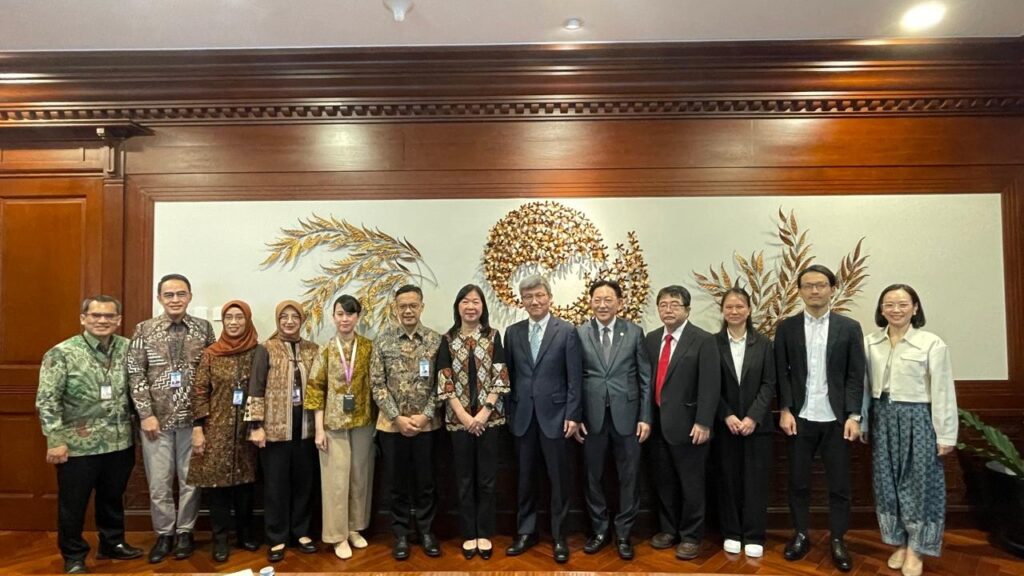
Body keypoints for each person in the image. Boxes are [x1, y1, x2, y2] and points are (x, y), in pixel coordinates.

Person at [36, 296, 143, 574]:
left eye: (109, 316)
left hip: (120, 440)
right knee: (74, 503)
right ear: (83, 318)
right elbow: (47, 400)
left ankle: (112, 542)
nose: (102, 320)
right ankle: (73, 555)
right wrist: (55, 440)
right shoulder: (62, 353)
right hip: (78, 445)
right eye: (96, 315)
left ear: (118, 320)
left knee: (113, 497)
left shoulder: (128, 348)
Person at [861, 284, 957, 576]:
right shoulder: (870, 343)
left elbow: (942, 391)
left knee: (919, 485)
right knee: (887, 484)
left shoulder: (931, 343)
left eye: (903, 304)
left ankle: (917, 548)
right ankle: (899, 543)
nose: (896, 310)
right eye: (889, 304)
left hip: (918, 419)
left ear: (915, 308)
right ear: (881, 310)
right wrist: (863, 421)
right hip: (882, 418)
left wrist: (946, 434)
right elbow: (863, 387)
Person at [775, 264, 865, 573]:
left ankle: (838, 539)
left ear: (832, 289)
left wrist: (854, 414)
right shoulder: (786, 328)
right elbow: (782, 373)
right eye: (808, 285)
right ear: (799, 291)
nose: (815, 290)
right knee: (798, 482)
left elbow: (855, 375)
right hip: (799, 418)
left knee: (839, 485)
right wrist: (785, 409)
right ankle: (800, 534)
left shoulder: (849, 327)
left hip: (837, 420)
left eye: (821, 285)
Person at [128, 273, 215, 563]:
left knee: (191, 481)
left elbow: (210, 373)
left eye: (181, 294)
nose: (175, 299)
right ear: (159, 298)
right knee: (159, 483)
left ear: (189, 296)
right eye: (169, 295)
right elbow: (136, 373)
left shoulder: (204, 329)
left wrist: (204, 419)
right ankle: (164, 534)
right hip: (157, 422)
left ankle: (185, 532)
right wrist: (145, 414)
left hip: (192, 421)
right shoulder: (144, 330)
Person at [504, 275, 582, 564]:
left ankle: (560, 536)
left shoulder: (567, 331)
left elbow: (574, 378)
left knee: (558, 480)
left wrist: (573, 414)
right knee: (524, 478)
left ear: (549, 298)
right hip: (523, 417)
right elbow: (508, 377)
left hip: (557, 417)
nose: (534, 301)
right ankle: (526, 532)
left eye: (539, 295)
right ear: (522, 301)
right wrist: (509, 413)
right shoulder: (512, 332)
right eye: (528, 297)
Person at [574, 280, 651, 560]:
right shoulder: (579, 333)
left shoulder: (634, 332)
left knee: (629, 477)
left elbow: (645, 378)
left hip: (628, 417)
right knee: (592, 476)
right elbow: (574, 378)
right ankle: (599, 531)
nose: (603, 305)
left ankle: (624, 534)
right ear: (590, 302)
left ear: (619, 302)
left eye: (608, 299)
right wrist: (576, 416)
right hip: (591, 418)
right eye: (597, 299)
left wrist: (645, 417)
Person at [644, 285, 720, 560]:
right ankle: (668, 529)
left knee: (691, 484)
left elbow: (710, 385)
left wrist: (703, 422)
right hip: (657, 426)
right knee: (664, 482)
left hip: (690, 426)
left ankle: (691, 536)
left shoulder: (703, 340)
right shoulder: (652, 339)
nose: (668, 310)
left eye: (675, 304)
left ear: (687, 309)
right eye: (663, 305)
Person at [436, 284, 510, 560]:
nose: (470, 306)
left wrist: (483, 413)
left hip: (490, 421)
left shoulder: (493, 336)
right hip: (459, 422)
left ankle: (484, 533)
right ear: (458, 306)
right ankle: (469, 533)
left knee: (488, 479)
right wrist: (465, 416)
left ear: (483, 307)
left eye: (475, 301)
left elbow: (500, 377)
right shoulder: (447, 339)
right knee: (464, 479)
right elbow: (445, 381)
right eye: (465, 301)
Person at [371, 285, 443, 560]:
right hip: (392, 427)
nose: (408, 310)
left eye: (413, 305)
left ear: (422, 307)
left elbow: (442, 383)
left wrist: (426, 415)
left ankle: (426, 532)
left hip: (427, 425)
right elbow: (377, 384)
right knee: (396, 483)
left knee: (426, 482)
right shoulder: (383, 340)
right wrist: (396, 417)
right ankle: (400, 534)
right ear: (395, 308)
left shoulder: (435, 340)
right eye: (403, 306)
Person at [246, 300, 320, 562]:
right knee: (276, 487)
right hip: (274, 432)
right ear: (278, 320)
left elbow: (320, 387)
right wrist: (256, 426)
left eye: (294, 317)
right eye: (284, 317)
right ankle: (276, 537)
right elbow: (256, 386)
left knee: (304, 484)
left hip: (307, 431)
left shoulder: (313, 349)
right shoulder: (266, 348)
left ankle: (302, 532)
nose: (289, 321)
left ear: (302, 320)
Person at [188, 301, 261, 562]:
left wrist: (259, 425)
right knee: (218, 488)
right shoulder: (211, 354)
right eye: (228, 317)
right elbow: (199, 392)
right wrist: (198, 428)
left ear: (247, 320)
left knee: (245, 486)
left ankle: (244, 534)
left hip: (248, 429)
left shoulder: (257, 352)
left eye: (239, 317)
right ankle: (220, 539)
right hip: (216, 428)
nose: (233, 322)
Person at [305, 295, 376, 560]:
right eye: (340, 314)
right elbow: (315, 389)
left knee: (359, 477)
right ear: (333, 317)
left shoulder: (368, 347)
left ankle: (354, 528)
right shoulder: (325, 349)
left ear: (358, 317)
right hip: (333, 424)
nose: (345, 319)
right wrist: (319, 429)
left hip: (363, 422)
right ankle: (337, 535)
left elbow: (376, 384)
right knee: (336, 481)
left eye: (350, 314)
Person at [712, 287, 776, 558]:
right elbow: (709, 386)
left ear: (749, 310)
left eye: (739, 306)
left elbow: (769, 384)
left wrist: (752, 417)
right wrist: (726, 414)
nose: (734, 311)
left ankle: (753, 535)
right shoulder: (712, 343)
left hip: (756, 427)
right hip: (724, 425)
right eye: (729, 306)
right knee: (727, 480)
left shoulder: (764, 344)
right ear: (722, 311)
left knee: (755, 481)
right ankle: (731, 532)